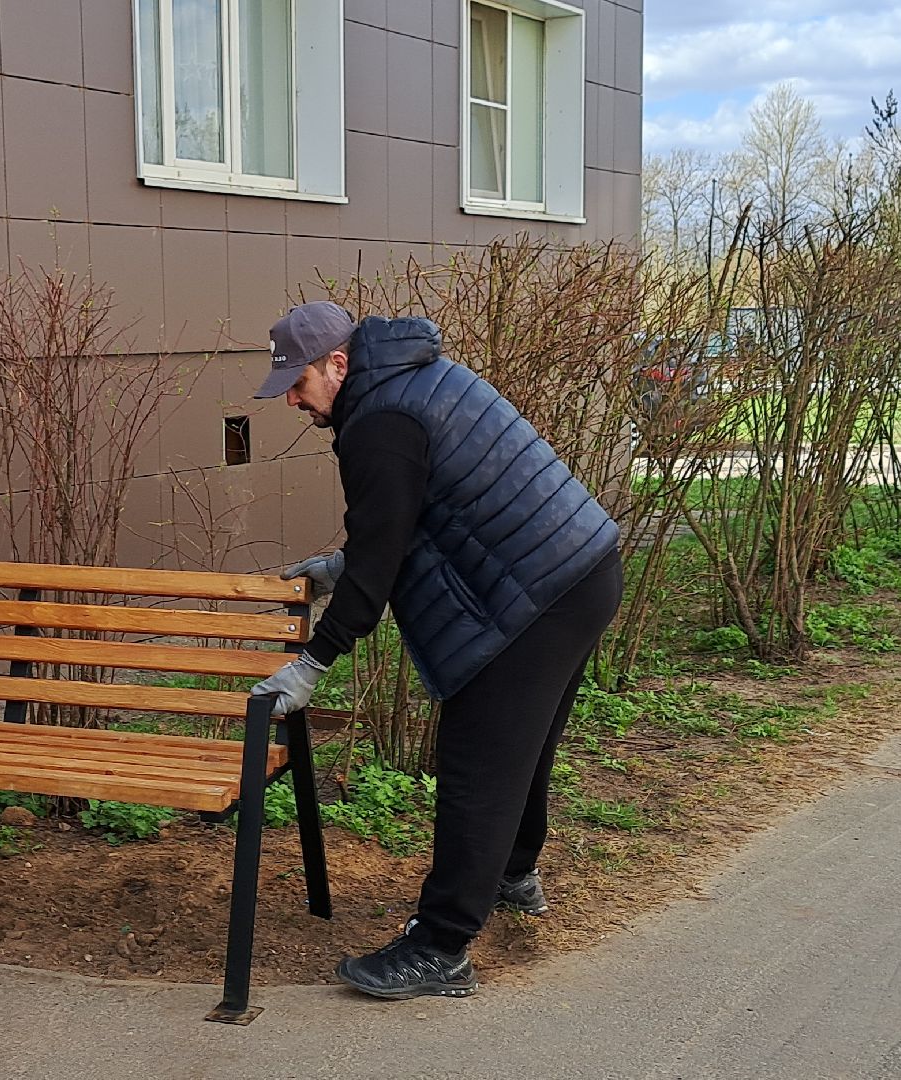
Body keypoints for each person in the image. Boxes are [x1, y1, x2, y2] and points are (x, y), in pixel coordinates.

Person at [249, 302, 623, 1000]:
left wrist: (311, 664)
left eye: (297, 384)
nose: (293, 402)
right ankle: (512, 872)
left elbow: (383, 554)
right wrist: (342, 566)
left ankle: (441, 946)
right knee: (523, 745)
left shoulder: (380, 421)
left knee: (476, 765)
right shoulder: (412, 380)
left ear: (337, 364)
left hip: (538, 595)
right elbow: (420, 511)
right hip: (581, 569)